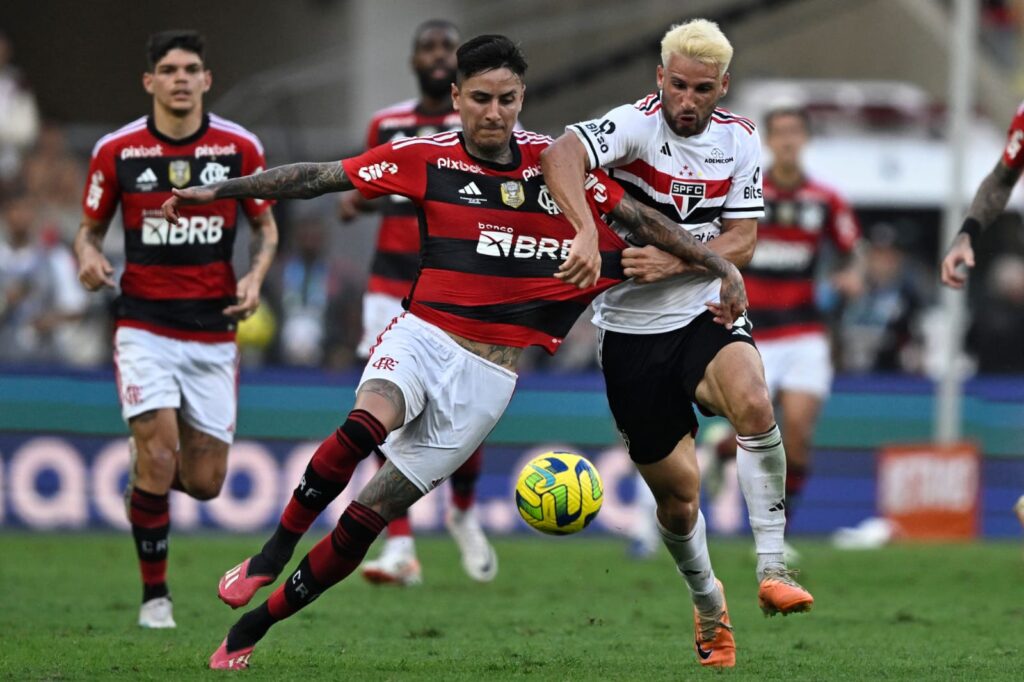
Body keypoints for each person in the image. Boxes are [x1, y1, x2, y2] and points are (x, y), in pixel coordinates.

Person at [162, 34, 747, 670]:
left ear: (521, 98)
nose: (493, 113)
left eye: (506, 100)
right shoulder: (423, 158)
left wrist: (717, 263)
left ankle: (255, 625)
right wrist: (223, 191)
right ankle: (270, 555)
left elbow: (641, 221)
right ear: (456, 98)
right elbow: (317, 178)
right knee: (364, 423)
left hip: (488, 382)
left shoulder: (554, 171)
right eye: (480, 99)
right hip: (424, 333)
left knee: (371, 514)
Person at [540, 19, 815, 654]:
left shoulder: (741, 141)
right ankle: (707, 601)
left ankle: (773, 568)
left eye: (702, 90)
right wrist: (584, 229)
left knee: (753, 400)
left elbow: (743, 239)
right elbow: (561, 154)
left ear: (723, 88)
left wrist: (676, 263)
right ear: (660, 78)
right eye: (678, 87)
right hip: (630, 331)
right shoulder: (634, 125)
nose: (687, 102)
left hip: (700, 311)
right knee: (680, 502)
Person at [73, 30, 278, 630]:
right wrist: (86, 255)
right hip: (144, 325)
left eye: (191, 68)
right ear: (150, 82)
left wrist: (256, 278)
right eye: (169, 69)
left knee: (207, 483)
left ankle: (144, 495)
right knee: (160, 454)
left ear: (207, 79)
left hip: (214, 330)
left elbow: (266, 230)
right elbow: (89, 229)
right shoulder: (118, 151)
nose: (181, 78)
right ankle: (155, 600)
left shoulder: (240, 147)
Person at [338, 19, 496, 587]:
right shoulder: (389, 123)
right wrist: (359, 203)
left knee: (463, 412)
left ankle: (463, 511)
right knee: (384, 410)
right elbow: (367, 188)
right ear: (413, 61)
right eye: (426, 47)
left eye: (445, 49)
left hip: (459, 281)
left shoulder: (481, 118)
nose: (435, 56)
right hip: (391, 282)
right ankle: (400, 546)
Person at [699, 105, 864, 546]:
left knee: (799, 435)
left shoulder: (825, 200)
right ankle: (721, 451)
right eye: (780, 133)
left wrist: (851, 277)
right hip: (751, 329)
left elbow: (853, 252)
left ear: (804, 139)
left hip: (806, 332)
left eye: (795, 132)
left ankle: (778, 535)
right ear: (768, 141)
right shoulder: (747, 192)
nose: (788, 140)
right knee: (758, 427)